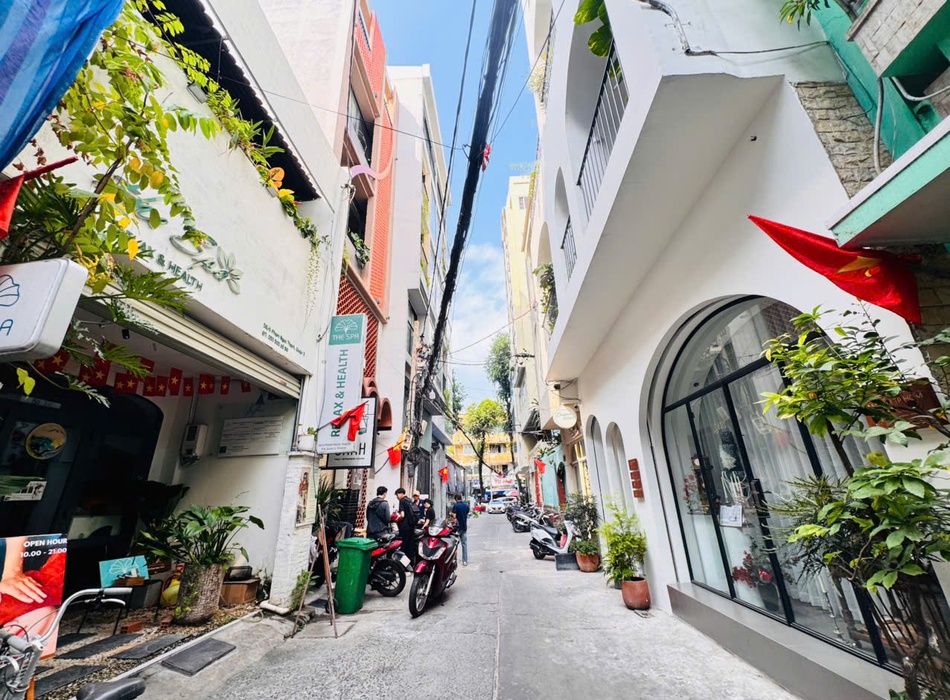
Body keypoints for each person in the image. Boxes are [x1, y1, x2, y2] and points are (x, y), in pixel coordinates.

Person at [395, 487, 418, 564]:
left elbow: (402, 515)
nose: (397, 497)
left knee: (403, 546)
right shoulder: (410, 500)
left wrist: (397, 519)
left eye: (397, 495)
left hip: (405, 527)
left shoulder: (402, 501)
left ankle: (402, 564)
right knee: (410, 546)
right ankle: (410, 563)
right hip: (411, 526)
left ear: (401, 494)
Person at [450, 494, 470, 566]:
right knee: (464, 544)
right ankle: (465, 561)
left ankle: (454, 560)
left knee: (454, 545)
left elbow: (454, 516)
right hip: (464, 527)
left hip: (457, 528)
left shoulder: (456, 506)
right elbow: (467, 513)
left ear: (456, 499)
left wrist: (451, 514)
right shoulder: (466, 505)